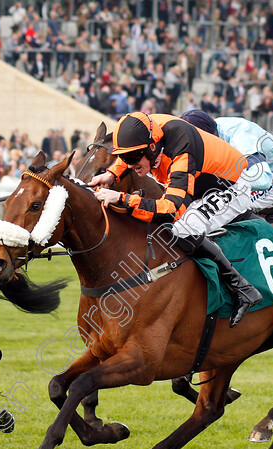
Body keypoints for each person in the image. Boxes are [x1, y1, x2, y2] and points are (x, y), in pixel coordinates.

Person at [88, 112, 262, 327]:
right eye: (124, 158)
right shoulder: (146, 131)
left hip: (230, 184)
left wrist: (122, 198)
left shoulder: (181, 147)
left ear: (152, 147)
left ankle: (243, 288)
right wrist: (112, 174)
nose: (129, 164)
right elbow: (130, 155)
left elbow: (169, 209)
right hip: (201, 183)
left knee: (183, 228)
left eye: (133, 158)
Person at [180, 110, 273, 213]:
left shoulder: (241, 138)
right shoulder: (210, 128)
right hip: (246, 169)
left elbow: (263, 180)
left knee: (226, 207)